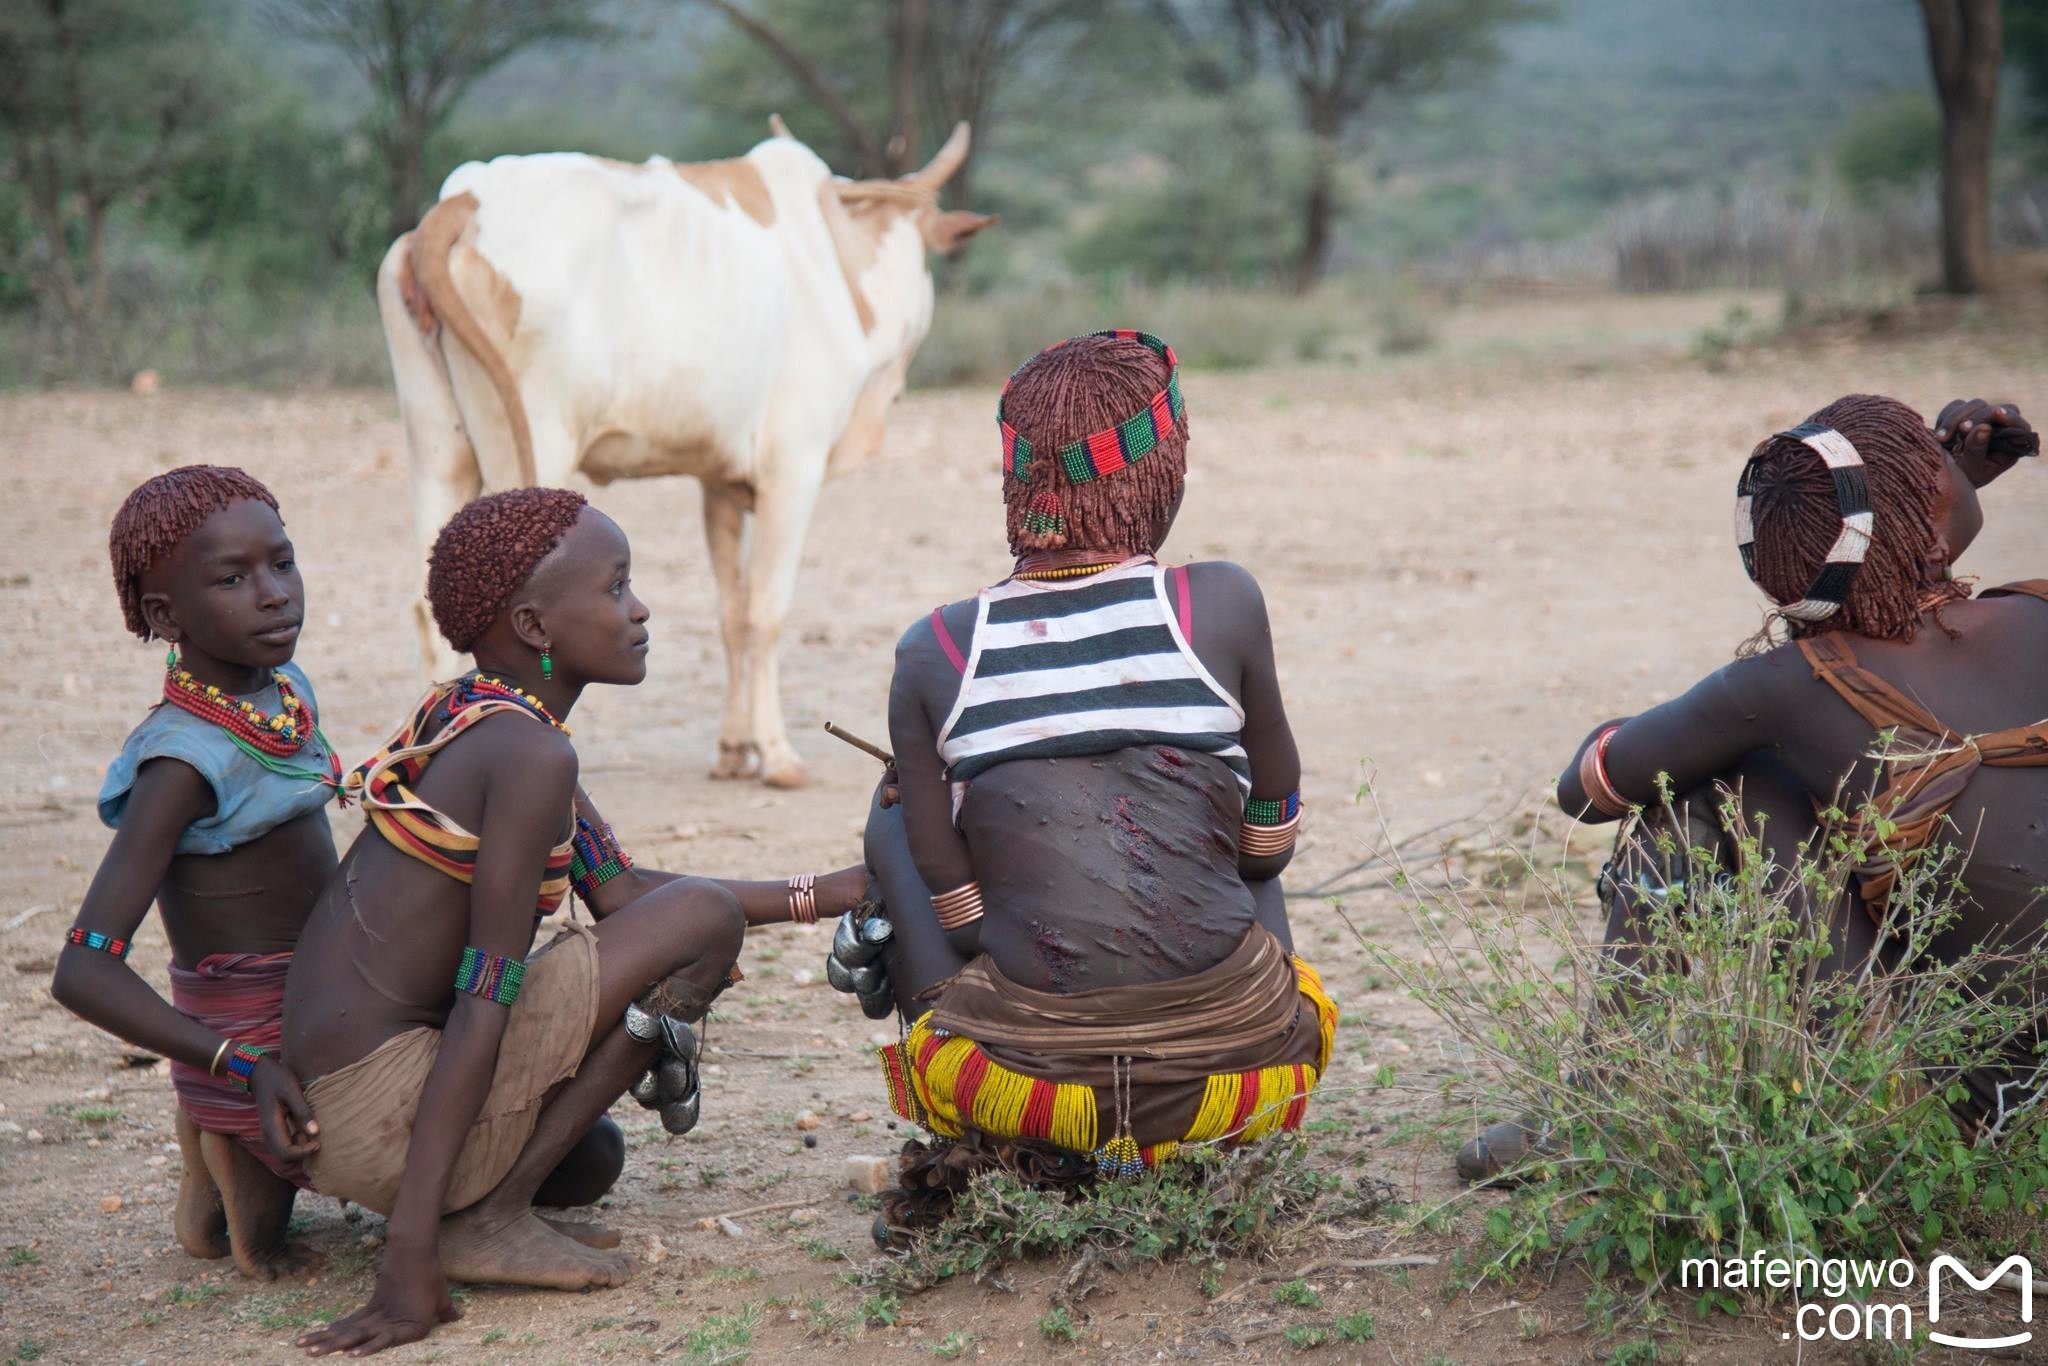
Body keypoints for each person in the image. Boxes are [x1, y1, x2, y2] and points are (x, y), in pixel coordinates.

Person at [284, 488, 865, 1358]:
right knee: (699, 919)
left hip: (337, 1112)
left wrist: (829, 891)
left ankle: (483, 1206)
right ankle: (480, 1223)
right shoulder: (529, 751)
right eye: (617, 587)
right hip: (380, 1105)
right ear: (535, 624)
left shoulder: (484, 714)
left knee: (591, 1158)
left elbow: (624, 895)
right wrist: (407, 1256)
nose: (640, 611)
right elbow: (488, 991)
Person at [1457, 395, 2046, 1182]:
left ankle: (1602, 1104)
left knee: (1717, 782)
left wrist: (1682, 727)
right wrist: (1944, 492)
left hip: (1950, 1106)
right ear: (1935, 523)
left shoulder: (1786, 686)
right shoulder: (2034, 617)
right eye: (1932, 462)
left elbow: (1588, 790)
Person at [841, 330, 1336, 1232]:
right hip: (1247, 1073)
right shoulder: (1217, 603)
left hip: (1021, 1086)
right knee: (1239, 844)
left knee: (898, 823)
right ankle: (1213, 1146)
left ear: (1018, 483)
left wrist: (1007, 906)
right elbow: (1271, 843)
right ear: (1161, 468)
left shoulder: (936, 650)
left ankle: (988, 1141)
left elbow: (964, 917)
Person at [53, 465, 338, 1279]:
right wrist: (236, 1063)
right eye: (233, 579)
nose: (276, 593)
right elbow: (81, 968)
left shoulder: (284, 693)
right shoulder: (180, 762)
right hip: (266, 1049)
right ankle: (231, 1146)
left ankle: (220, 1146)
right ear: (163, 615)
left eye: (282, 563)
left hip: (323, 994)